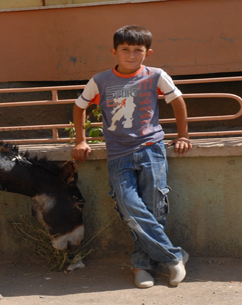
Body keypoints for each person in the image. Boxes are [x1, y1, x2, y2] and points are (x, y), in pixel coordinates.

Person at [71, 25, 192, 288]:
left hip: (152, 150)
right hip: (118, 154)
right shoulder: (100, 80)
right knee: (128, 206)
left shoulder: (156, 76)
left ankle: (141, 266)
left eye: (138, 50)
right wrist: (81, 140)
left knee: (154, 208)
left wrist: (183, 136)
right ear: (115, 51)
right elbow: (79, 107)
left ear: (147, 53)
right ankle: (173, 257)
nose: (131, 55)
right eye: (125, 50)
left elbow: (178, 102)